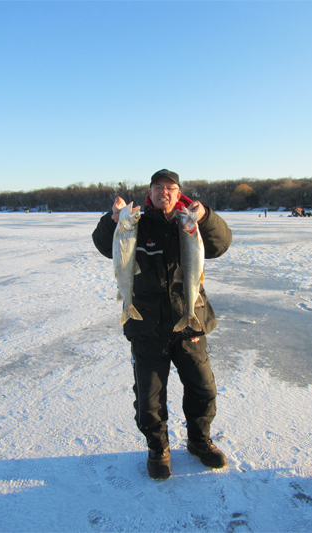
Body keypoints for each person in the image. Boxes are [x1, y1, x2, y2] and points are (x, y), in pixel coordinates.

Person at [92, 169, 232, 479]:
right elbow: (104, 245)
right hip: (147, 326)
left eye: (170, 188)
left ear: (178, 192)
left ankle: (199, 441)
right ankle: (158, 448)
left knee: (203, 388)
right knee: (149, 397)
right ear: (150, 193)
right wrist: (112, 220)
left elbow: (221, 244)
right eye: (158, 187)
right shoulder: (136, 224)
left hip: (189, 321)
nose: (164, 192)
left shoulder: (190, 221)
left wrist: (206, 216)